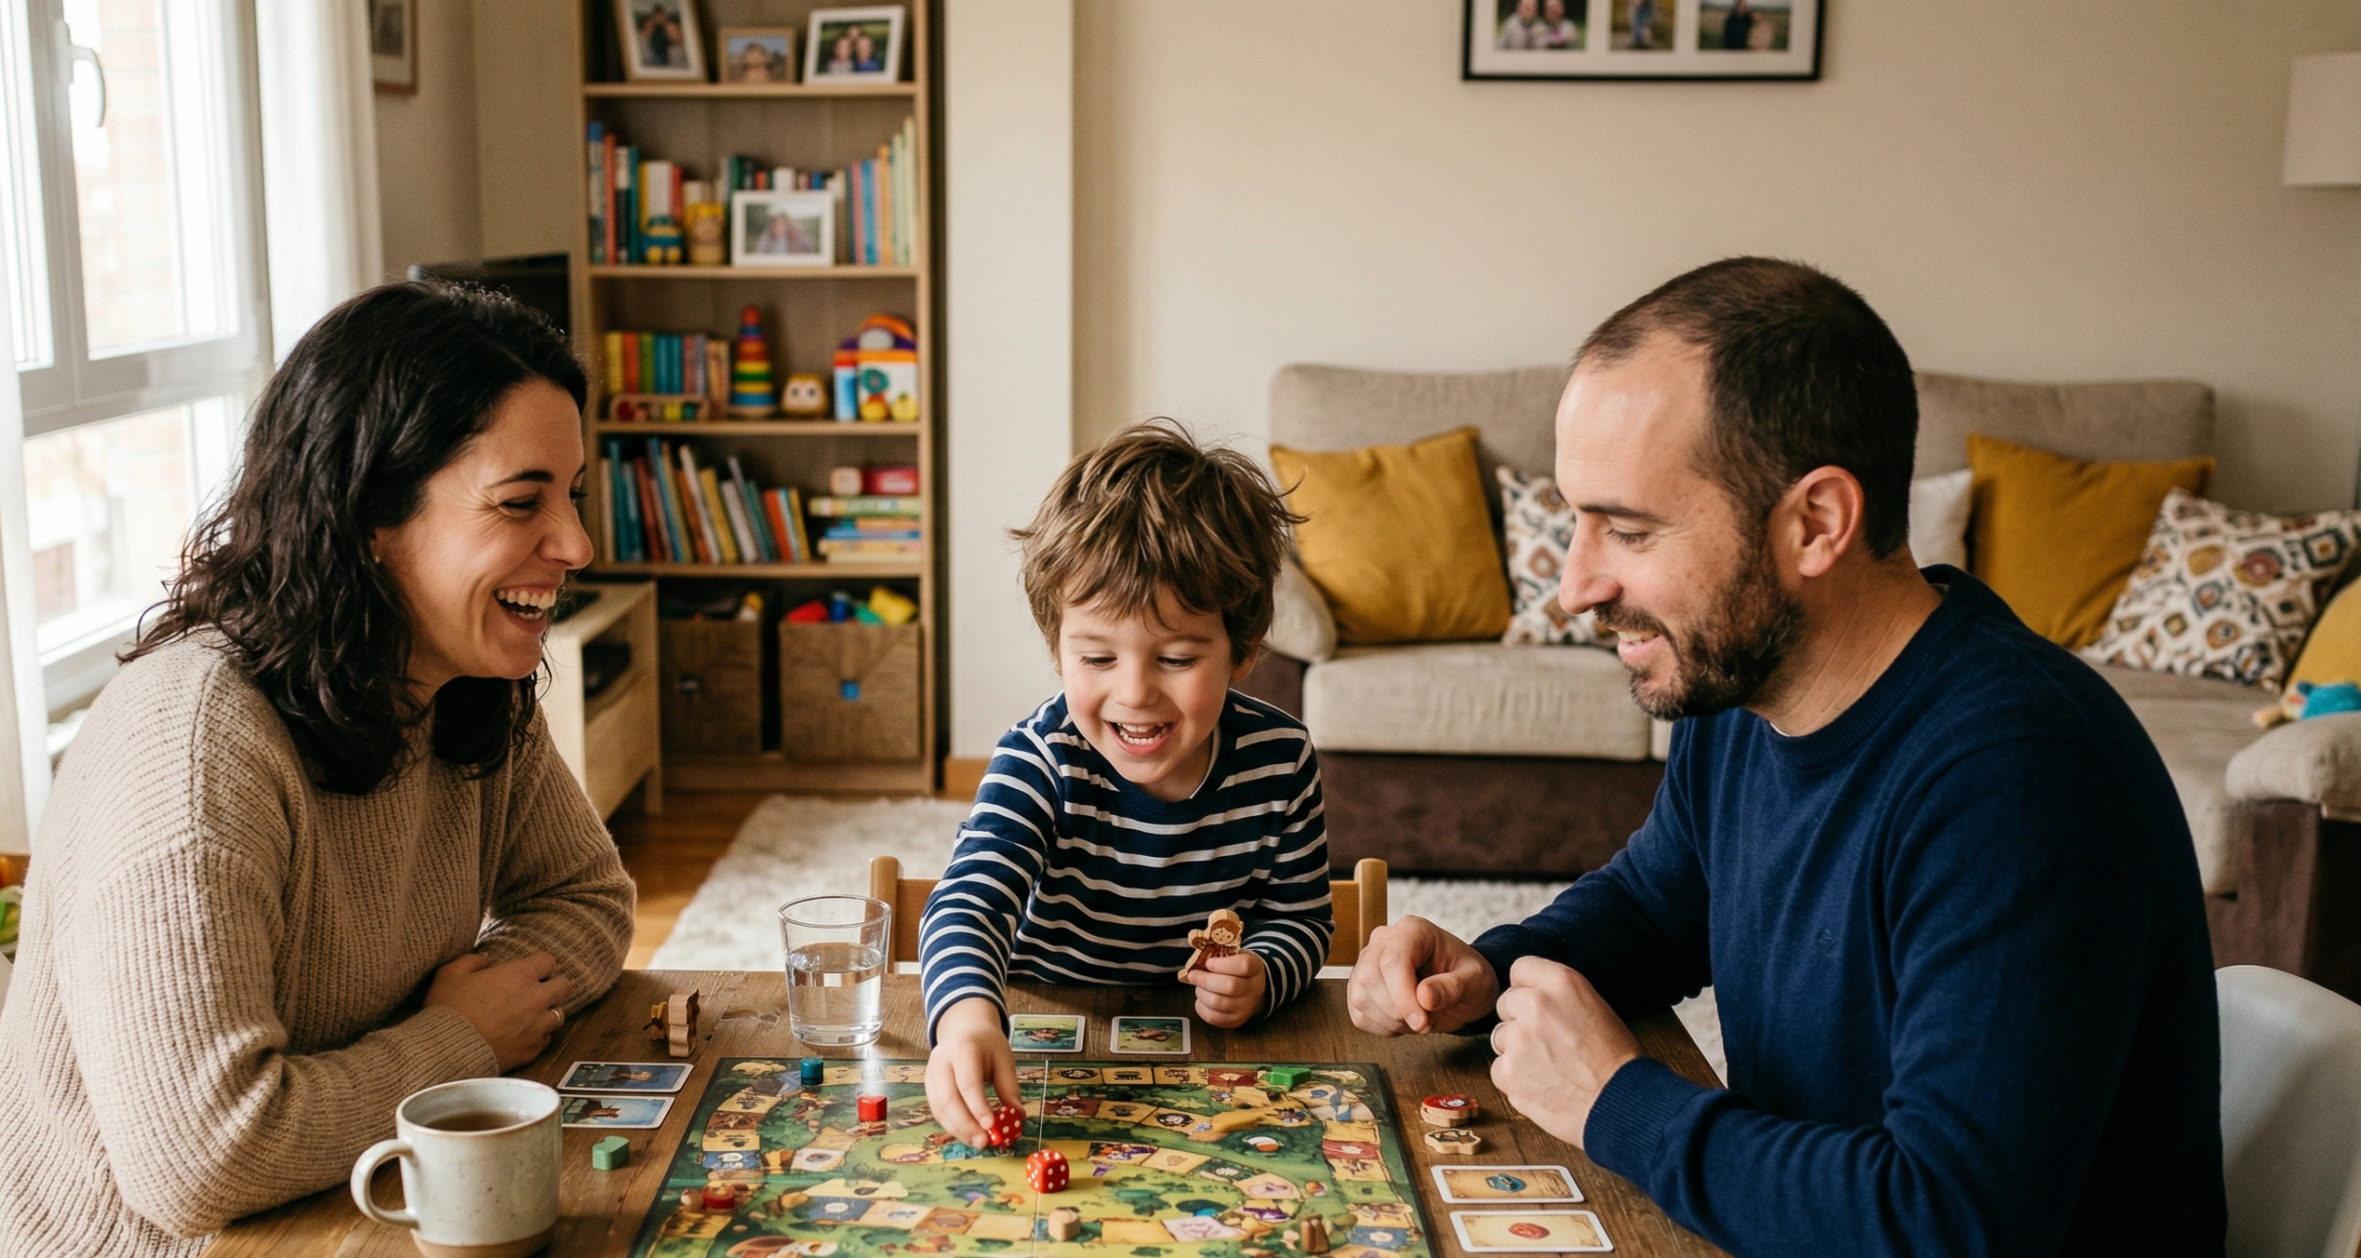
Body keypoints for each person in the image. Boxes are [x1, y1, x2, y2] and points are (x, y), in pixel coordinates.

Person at [1346, 257, 2224, 1257]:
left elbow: (1946, 1225)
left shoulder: (2018, 779)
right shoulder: (1741, 689)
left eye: (1627, 529)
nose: (1574, 586)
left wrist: (1617, 1103)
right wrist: (1489, 966)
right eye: (1575, 521)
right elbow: (1658, 904)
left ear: (1815, 522)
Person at [0, 283, 638, 1258]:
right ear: (372, 510)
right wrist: (455, 1041)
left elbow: (589, 898)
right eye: (519, 501)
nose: (575, 544)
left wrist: (448, 1026)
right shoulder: (191, 747)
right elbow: (201, 1161)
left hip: (352, 1199)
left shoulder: (466, 680)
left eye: (570, 495)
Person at [919, 421, 1332, 1149]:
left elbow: (1303, 920)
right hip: (1047, 1046)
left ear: (1244, 651)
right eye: (1098, 657)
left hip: (1212, 1071)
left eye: (1175, 658)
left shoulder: (1282, 758)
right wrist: (968, 1017)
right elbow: (965, 906)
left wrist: (1266, 972)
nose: (1134, 692)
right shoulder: (1040, 759)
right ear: (1056, 649)